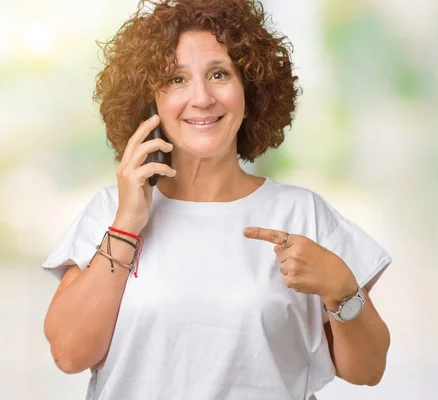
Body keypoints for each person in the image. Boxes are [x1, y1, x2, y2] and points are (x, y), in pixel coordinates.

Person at [42, 0, 392, 399]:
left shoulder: (301, 214)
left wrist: (342, 287)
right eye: (176, 79)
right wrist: (125, 226)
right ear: (150, 100)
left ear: (250, 93)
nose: (202, 98)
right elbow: (68, 354)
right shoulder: (110, 212)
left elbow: (368, 370)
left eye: (219, 74)